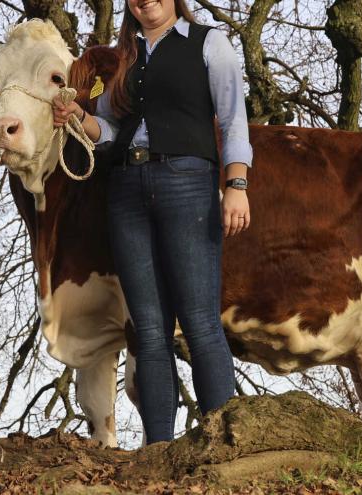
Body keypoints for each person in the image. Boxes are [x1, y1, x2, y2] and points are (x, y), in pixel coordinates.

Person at [52, 0, 252, 444]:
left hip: (188, 181)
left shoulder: (208, 43)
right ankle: (159, 449)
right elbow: (107, 131)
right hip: (126, 190)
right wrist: (79, 118)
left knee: (200, 320)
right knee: (148, 327)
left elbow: (234, 119)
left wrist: (236, 183)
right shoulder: (122, 57)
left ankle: (225, 444)